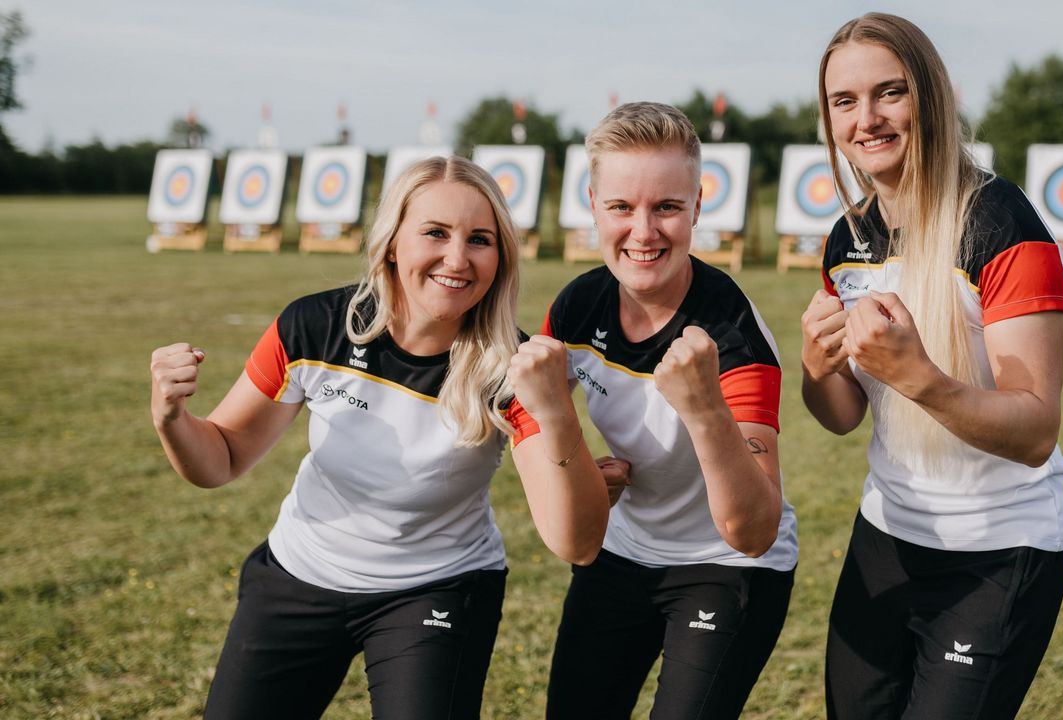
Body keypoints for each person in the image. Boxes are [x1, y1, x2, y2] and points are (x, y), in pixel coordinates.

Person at [149, 156, 522, 720]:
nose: (457, 258)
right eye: (435, 233)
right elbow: (220, 459)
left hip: (438, 587)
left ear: (501, 256)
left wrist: (583, 469)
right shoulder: (313, 325)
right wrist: (172, 417)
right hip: (301, 573)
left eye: (480, 239)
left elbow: (563, 507)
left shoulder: (512, 365)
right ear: (393, 242)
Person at [802, 13, 1063, 720]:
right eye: (844, 101)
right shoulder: (848, 235)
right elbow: (841, 415)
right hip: (887, 536)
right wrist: (816, 366)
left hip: (998, 549)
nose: (867, 118)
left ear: (931, 95)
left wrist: (918, 374)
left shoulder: (1001, 222)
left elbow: (1035, 427)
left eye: (890, 92)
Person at [504, 102, 798, 720]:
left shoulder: (735, 337)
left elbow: (753, 530)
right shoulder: (580, 305)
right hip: (624, 551)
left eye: (666, 206)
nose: (643, 231)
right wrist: (580, 473)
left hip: (724, 566)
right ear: (592, 206)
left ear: (698, 205)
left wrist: (707, 411)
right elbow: (535, 419)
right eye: (621, 207)